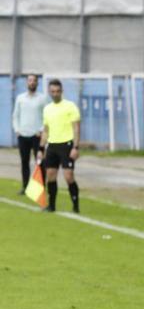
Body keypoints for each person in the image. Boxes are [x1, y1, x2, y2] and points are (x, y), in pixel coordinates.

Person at [38, 79, 82, 213]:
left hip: (67, 145)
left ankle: (75, 205)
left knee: (68, 176)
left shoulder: (70, 106)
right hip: (52, 146)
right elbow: (46, 130)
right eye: (52, 91)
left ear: (62, 91)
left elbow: (76, 128)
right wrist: (41, 148)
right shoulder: (47, 109)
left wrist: (75, 147)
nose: (55, 94)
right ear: (49, 92)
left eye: (57, 91)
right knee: (50, 175)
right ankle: (51, 206)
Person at [12, 74, 49, 194]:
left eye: (34, 81)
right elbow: (15, 116)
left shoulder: (42, 98)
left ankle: (41, 187)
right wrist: (17, 130)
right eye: (30, 80)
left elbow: (47, 116)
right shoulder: (20, 98)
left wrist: (41, 129)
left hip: (36, 135)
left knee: (40, 161)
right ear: (26, 83)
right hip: (23, 135)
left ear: (37, 83)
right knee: (24, 162)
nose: (32, 82)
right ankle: (25, 186)